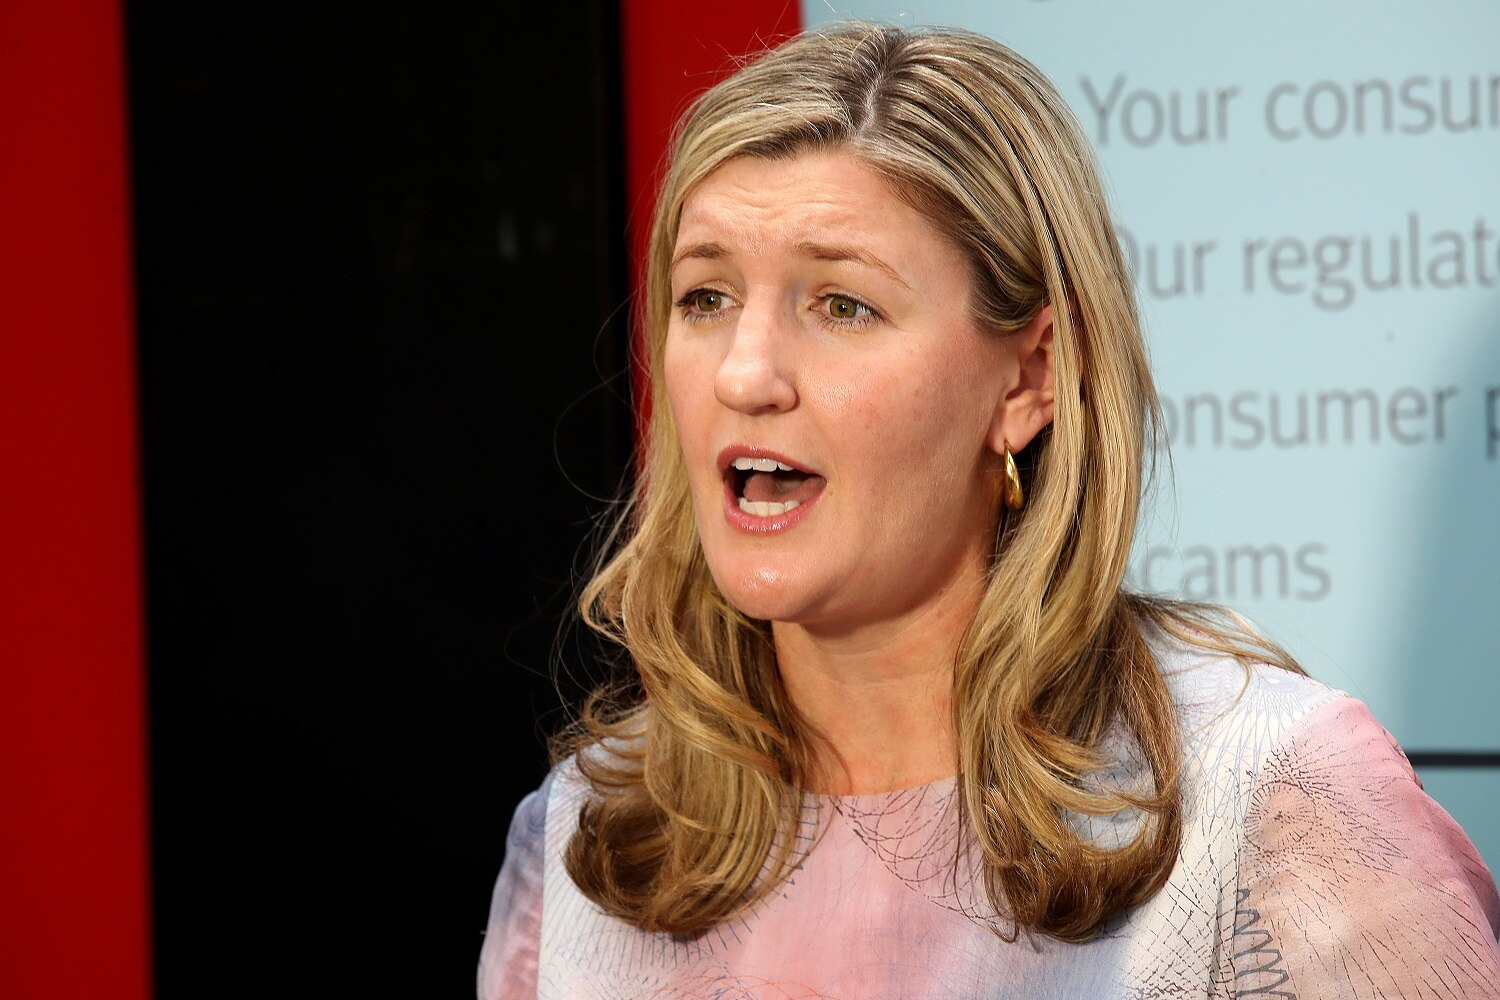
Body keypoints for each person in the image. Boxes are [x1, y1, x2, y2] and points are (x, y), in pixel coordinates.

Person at [478, 22, 1500, 998]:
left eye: (841, 304)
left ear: (1027, 381)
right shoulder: (586, 834)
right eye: (706, 297)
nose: (745, 373)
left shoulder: (1274, 801)